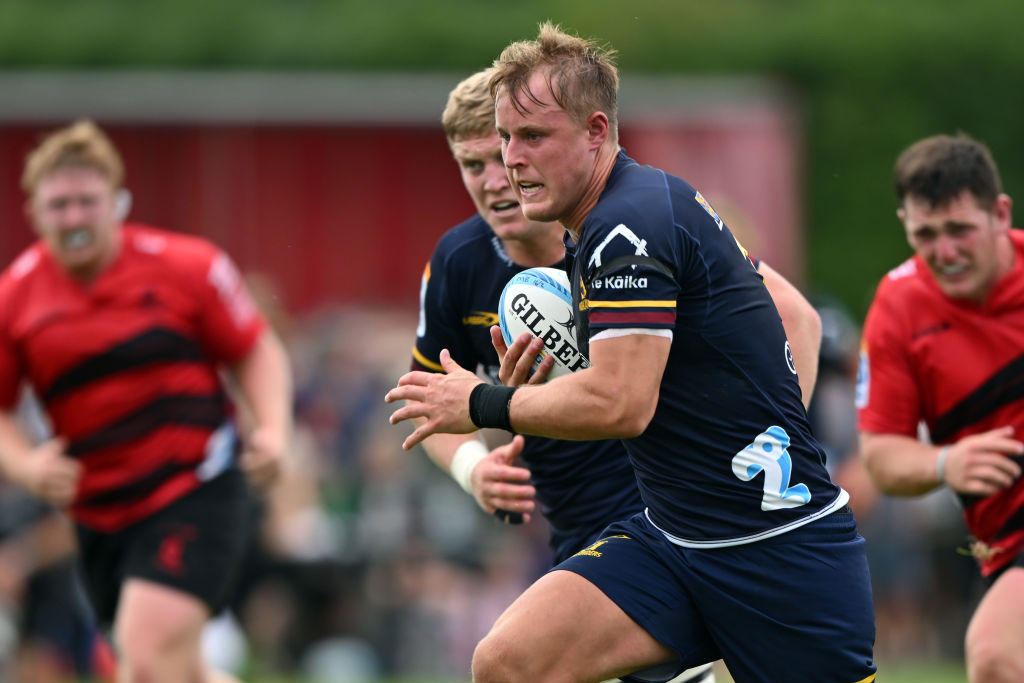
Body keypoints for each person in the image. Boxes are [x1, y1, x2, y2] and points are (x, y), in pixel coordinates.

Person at [387, 23, 876, 683]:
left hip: (774, 550)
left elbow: (622, 401)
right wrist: (479, 458)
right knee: (506, 663)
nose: (509, 164)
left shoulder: (630, 224)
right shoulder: (541, 239)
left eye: (531, 138)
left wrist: (483, 401)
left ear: (596, 131)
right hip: (668, 539)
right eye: (500, 142)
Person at [0, 120, 293, 683]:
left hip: (195, 486)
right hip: (99, 514)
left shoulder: (188, 267)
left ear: (118, 203)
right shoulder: (16, 298)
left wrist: (274, 429)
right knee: (175, 671)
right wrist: (27, 465)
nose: (75, 218)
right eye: (59, 205)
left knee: (144, 662)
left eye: (88, 201)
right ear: (34, 213)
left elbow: (256, 348)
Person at [857, 133, 1024, 683]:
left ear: (1000, 214)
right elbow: (881, 456)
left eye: (960, 230)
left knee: (997, 653)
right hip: (1006, 535)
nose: (944, 252)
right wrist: (945, 464)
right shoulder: (899, 306)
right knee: (999, 662)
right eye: (925, 234)